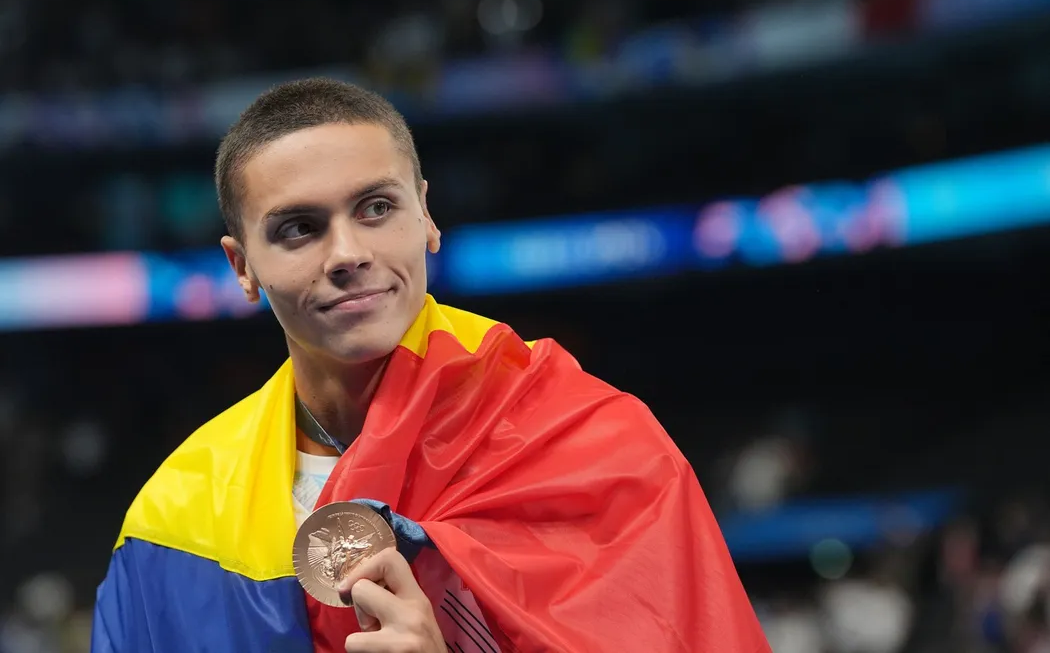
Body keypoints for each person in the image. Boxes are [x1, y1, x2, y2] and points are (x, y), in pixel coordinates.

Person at [91, 78, 770, 653]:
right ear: (242, 267)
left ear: (426, 215)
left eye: (377, 208)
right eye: (299, 228)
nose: (347, 253)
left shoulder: (599, 448)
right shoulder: (179, 516)